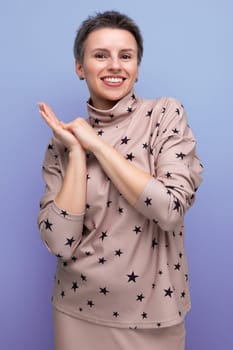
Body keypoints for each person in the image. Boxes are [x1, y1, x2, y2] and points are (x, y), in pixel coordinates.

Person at [38, 10, 203, 350]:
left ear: (137, 67)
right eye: (101, 55)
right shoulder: (63, 142)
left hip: (155, 314)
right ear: (80, 67)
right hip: (76, 311)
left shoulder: (164, 115)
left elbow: (170, 208)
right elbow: (59, 243)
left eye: (125, 56)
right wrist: (78, 152)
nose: (115, 65)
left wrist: (97, 143)